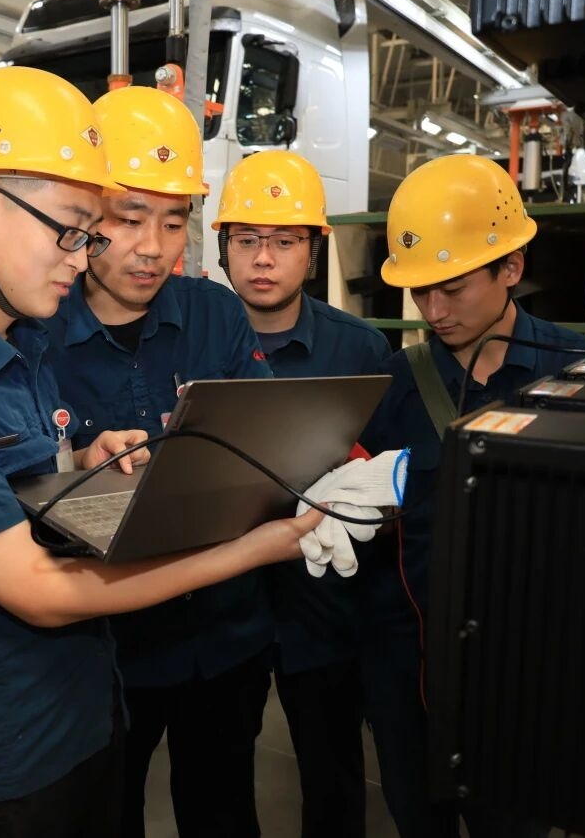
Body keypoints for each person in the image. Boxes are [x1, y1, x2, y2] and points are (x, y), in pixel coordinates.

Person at [0, 66, 323, 838]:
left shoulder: (17, 342)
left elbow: (11, 497)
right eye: (73, 229)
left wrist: (77, 470)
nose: (83, 254)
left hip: (84, 716)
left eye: (92, 230)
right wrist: (253, 547)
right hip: (1, 764)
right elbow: (39, 588)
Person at [358, 153, 585, 837]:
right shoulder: (392, 386)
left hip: (530, 680)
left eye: (452, 288)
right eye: (420, 292)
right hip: (408, 671)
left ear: (511, 267)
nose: (434, 311)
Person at [43, 85, 277, 838]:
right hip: (110, 654)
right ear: (86, 215)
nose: (153, 246)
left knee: (224, 812)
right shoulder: (38, 333)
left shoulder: (215, 313)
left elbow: (269, 442)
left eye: (174, 221)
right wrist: (79, 460)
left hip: (226, 639)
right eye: (129, 217)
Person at [214, 149, 392, 838]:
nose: (264, 258)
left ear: (313, 252)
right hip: (223, 607)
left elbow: (387, 478)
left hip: (323, 606)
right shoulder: (195, 343)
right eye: (247, 240)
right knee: (219, 776)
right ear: (224, 248)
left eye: (285, 241)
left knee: (332, 772)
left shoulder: (360, 351)